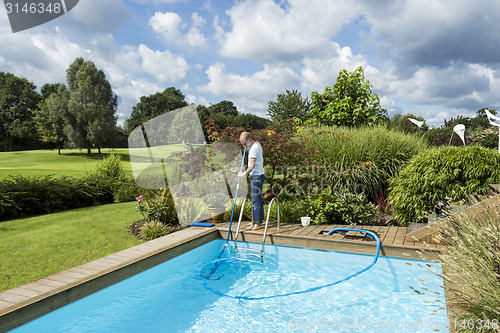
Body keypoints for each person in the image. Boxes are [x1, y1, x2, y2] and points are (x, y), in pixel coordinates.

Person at [238, 132, 265, 230]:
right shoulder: (257, 144)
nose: (244, 146)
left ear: (249, 140)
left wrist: (243, 174)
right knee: (255, 199)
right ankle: (256, 221)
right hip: (258, 175)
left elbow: (251, 166)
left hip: (256, 177)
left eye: (244, 144)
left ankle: (257, 224)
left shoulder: (253, 149)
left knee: (256, 201)